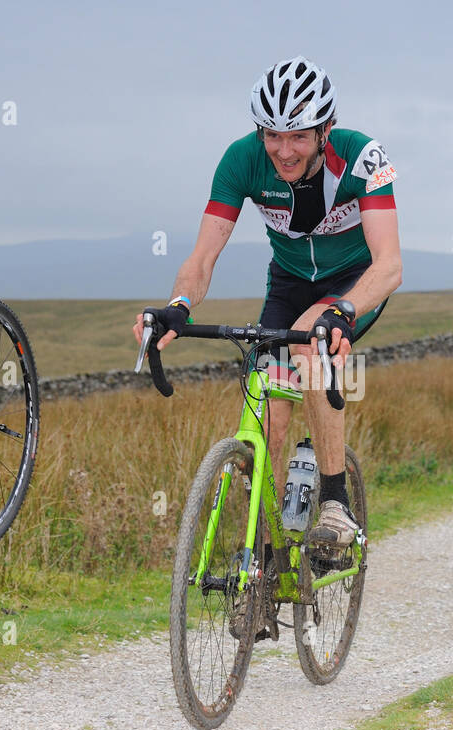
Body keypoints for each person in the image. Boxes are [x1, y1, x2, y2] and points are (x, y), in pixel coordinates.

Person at [134, 56, 402, 549]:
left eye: (298, 136)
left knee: (308, 345)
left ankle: (336, 506)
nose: (283, 150)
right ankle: (263, 554)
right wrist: (179, 304)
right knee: (267, 414)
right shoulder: (241, 160)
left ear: (326, 129)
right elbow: (203, 255)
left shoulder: (364, 157)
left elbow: (389, 265)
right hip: (289, 281)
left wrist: (343, 310)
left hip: (354, 283)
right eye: (272, 135)